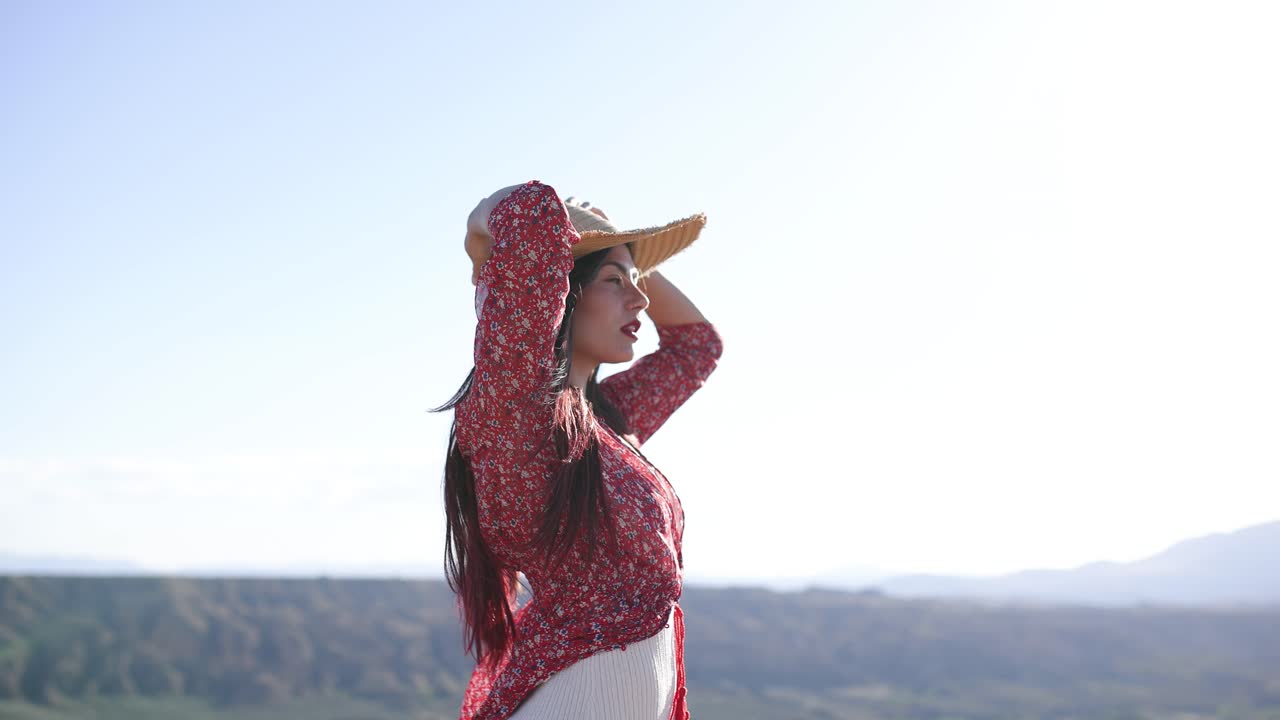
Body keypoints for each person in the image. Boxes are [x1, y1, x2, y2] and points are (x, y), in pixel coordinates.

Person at [431, 180, 724, 720]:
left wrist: (624, 255)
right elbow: (530, 215)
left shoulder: (607, 421)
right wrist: (483, 220)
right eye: (614, 282)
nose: (640, 299)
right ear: (562, 291)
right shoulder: (519, 413)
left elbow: (696, 346)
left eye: (638, 283)